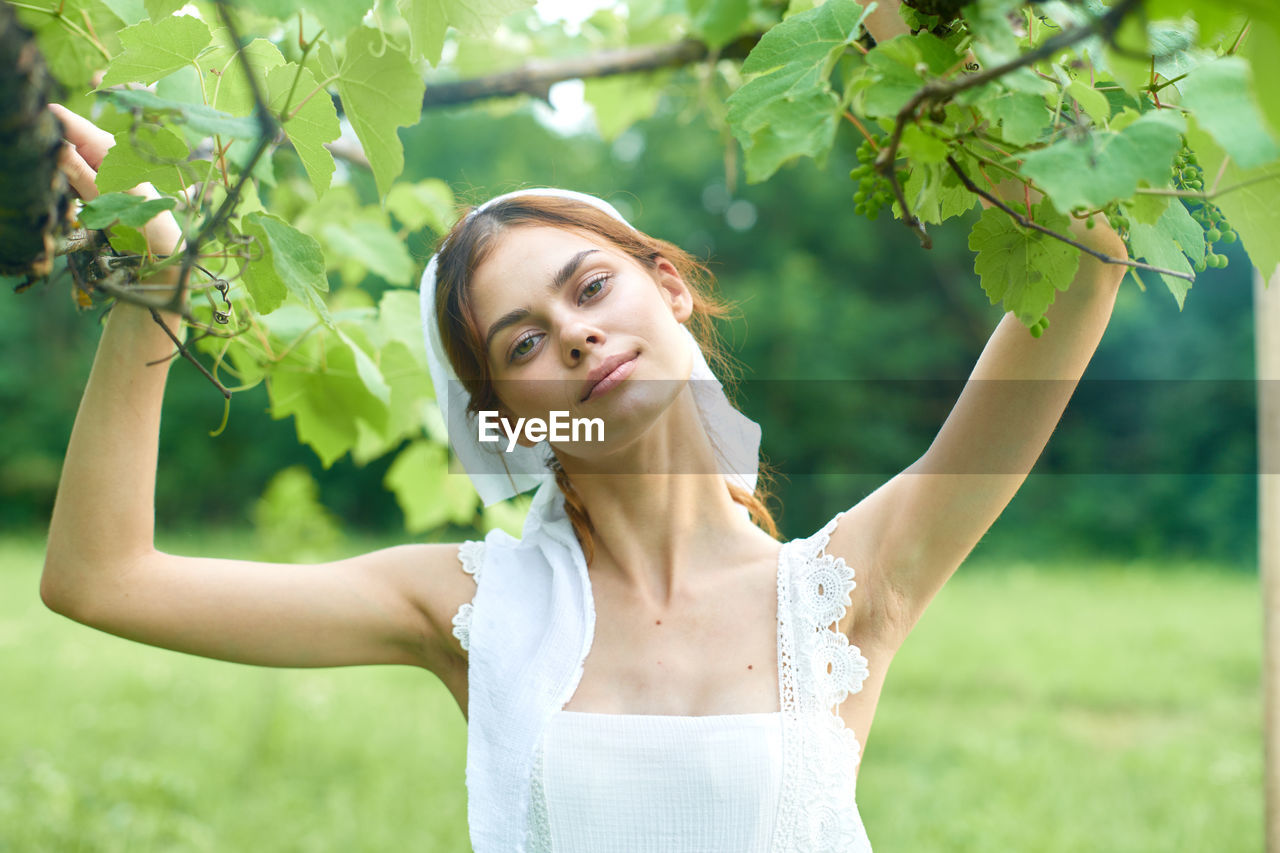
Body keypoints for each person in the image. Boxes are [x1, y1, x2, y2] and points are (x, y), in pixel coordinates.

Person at [40, 93, 1125, 851]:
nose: (570, 334)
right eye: (519, 343)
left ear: (669, 286)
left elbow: (1080, 268)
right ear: (503, 425)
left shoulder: (844, 589)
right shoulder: (472, 606)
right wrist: (159, 283)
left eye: (591, 287)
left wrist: (917, 49)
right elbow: (102, 575)